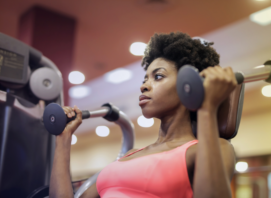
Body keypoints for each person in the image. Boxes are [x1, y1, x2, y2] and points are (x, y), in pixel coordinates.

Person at [49, 32, 237, 198]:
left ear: (187, 85)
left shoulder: (209, 149)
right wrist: (63, 140)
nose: (144, 86)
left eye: (158, 76)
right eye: (145, 78)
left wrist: (206, 108)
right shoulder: (129, 156)